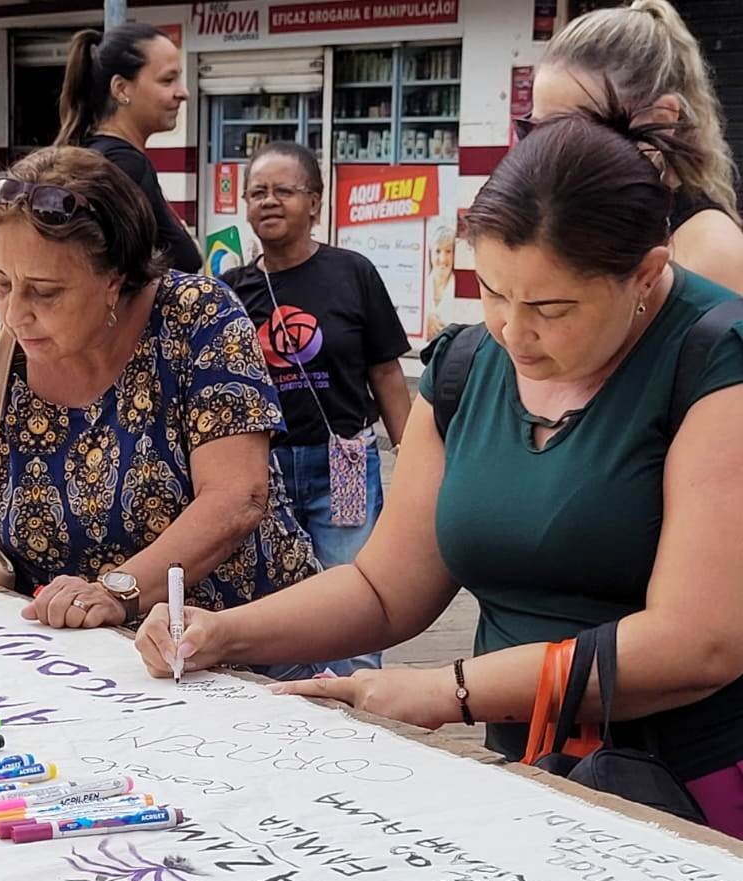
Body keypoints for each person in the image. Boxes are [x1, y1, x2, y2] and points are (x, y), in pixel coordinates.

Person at [134, 110, 743, 839]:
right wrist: (220, 634)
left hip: (691, 787)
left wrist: (451, 689)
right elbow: (385, 585)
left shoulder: (716, 359)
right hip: (534, 775)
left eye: (551, 308)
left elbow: (694, 642)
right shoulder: (465, 366)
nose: (515, 332)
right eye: (492, 291)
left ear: (645, 273)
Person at [0, 146, 320, 679]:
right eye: (1, 283)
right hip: (80, 668)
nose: (15, 314)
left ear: (114, 275)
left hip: (242, 656)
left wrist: (117, 590)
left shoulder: (198, 319)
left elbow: (235, 497)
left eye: (44, 292)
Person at [221, 141, 412, 677]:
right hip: (264, 472)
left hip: (343, 463)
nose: (269, 202)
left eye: (284, 190)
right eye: (258, 192)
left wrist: (419, 466)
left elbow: (387, 374)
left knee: (354, 590)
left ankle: (358, 706)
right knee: (273, 598)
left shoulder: (352, 272)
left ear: (315, 203)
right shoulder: (231, 290)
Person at [524, 0, 743, 293]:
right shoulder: (587, 219)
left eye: (576, 133)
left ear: (662, 119)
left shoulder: (708, 252)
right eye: (536, 132)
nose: (547, 157)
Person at [55, 24, 201, 274]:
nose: (183, 92)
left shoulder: (95, 155)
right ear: (121, 89)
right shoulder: (125, 167)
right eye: (168, 80)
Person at [424, 224, 457, 338]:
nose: (443, 259)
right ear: (430, 253)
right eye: (438, 251)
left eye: (448, 251)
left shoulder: (462, 288)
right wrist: (423, 320)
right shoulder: (420, 286)